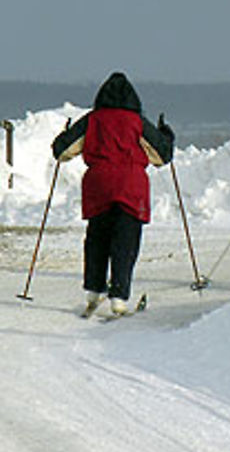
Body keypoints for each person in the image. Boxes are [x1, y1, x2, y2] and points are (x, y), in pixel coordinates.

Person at [51, 72, 174, 317]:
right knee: (125, 242)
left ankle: (93, 292)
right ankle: (118, 297)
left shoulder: (93, 119)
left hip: (99, 185)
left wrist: (65, 133)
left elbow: (62, 151)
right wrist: (166, 135)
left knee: (97, 238)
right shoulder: (137, 121)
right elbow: (162, 156)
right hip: (131, 187)